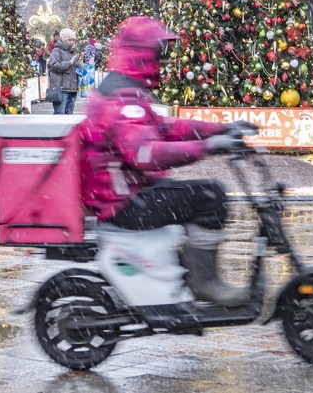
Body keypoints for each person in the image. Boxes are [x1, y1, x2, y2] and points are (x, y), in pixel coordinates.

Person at [79, 16, 249, 306]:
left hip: (120, 194)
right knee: (212, 196)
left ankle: (181, 268)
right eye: (160, 52)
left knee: (186, 195)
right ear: (144, 53)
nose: (164, 59)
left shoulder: (122, 90)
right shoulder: (122, 99)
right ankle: (204, 281)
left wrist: (219, 129)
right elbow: (145, 154)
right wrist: (207, 146)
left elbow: (164, 127)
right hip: (123, 203)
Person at [47, 28, 80, 114]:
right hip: (61, 88)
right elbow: (54, 66)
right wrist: (70, 62)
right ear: (64, 39)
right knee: (60, 114)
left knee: (69, 114)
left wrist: (78, 65)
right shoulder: (56, 51)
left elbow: (72, 68)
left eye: (73, 40)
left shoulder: (72, 52)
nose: (72, 42)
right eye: (70, 40)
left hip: (71, 88)